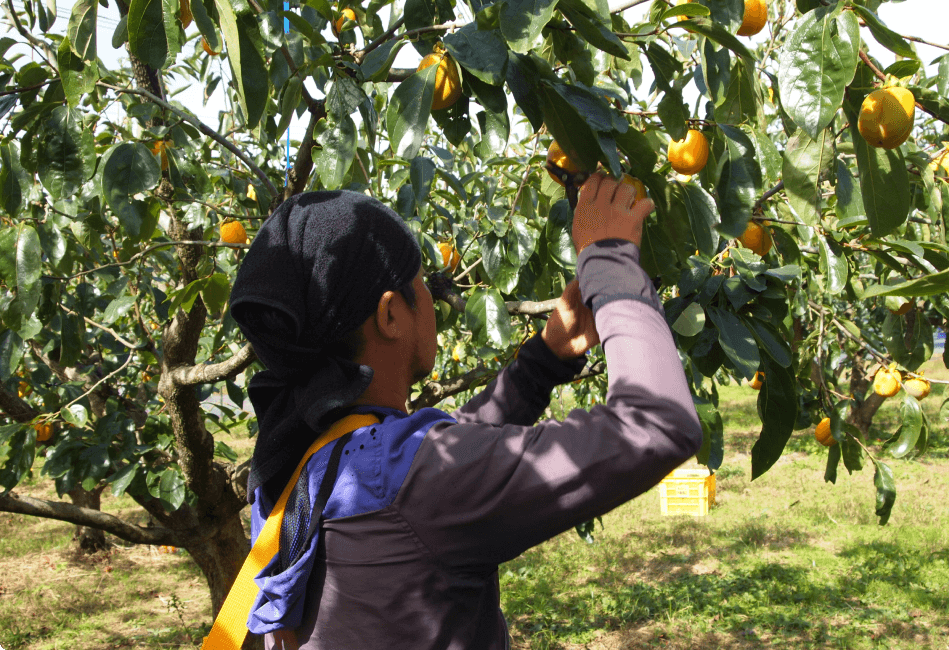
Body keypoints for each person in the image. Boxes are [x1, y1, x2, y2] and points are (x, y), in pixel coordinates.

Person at [228, 173, 702, 650]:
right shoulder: (413, 482)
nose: (434, 297)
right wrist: (610, 259)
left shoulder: (301, 458)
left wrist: (544, 360)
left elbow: (441, 453)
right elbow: (657, 424)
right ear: (391, 314)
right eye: (423, 282)